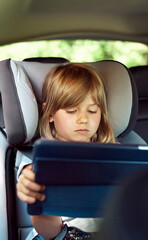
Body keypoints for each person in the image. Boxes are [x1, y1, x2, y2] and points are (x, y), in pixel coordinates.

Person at [16, 63, 115, 240]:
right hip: (61, 234)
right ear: (50, 113)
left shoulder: (118, 155)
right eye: (72, 110)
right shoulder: (39, 159)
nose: (84, 119)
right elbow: (28, 175)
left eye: (92, 111)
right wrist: (33, 185)